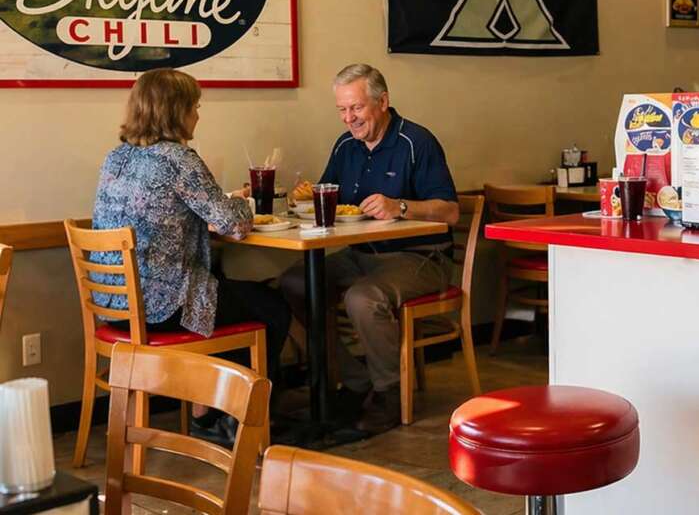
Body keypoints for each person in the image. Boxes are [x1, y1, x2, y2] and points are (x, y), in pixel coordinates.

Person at [91, 68, 291, 444]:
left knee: (230, 295)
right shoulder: (178, 159)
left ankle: (207, 414)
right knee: (272, 308)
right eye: (195, 106)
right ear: (176, 110)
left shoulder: (115, 157)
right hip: (163, 308)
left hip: (113, 306)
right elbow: (234, 225)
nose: (198, 115)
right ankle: (243, 424)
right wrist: (242, 200)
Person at [280, 64, 459, 435]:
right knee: (296, 283)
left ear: (383, 101)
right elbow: (328, 198)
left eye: (357, 109)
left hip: (421, 256)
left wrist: (402, 206)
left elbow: (451, 211)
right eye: (342, 110)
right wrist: (304, 195)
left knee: (363, 298)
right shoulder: (346, 146)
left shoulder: (417, 142)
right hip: (360, 253)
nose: (349, 119)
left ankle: (388, 392)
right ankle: (355, 379)